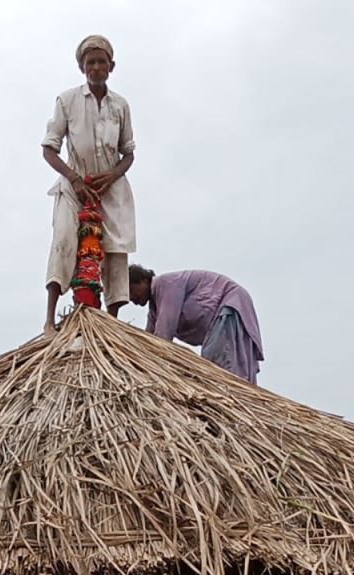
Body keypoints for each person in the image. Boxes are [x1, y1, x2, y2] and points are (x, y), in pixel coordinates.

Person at [41, 35, 137, 334]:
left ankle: (112, 323)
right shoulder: (67, 100)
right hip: (75, 186)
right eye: (90, 62)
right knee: (64, 241)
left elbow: (129, 153)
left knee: (115, 249)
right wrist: (74, 179)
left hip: (110, 189)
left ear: (111, 66)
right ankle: (49, 320)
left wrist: (112, 176)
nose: (96, 67)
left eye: (101, 62)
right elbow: (49, 148)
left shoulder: (120, 106)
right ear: (82, 68)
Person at [128, 267, 264, 384]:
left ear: (143, 281)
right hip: (220, 317)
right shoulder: (154, 309)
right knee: (215, 363)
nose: (132, 298)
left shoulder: (165, 284)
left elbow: (163, 335)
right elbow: (149, 339)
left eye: (132, 291)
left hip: (228, 305)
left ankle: (233, 401)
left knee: (220, 367)